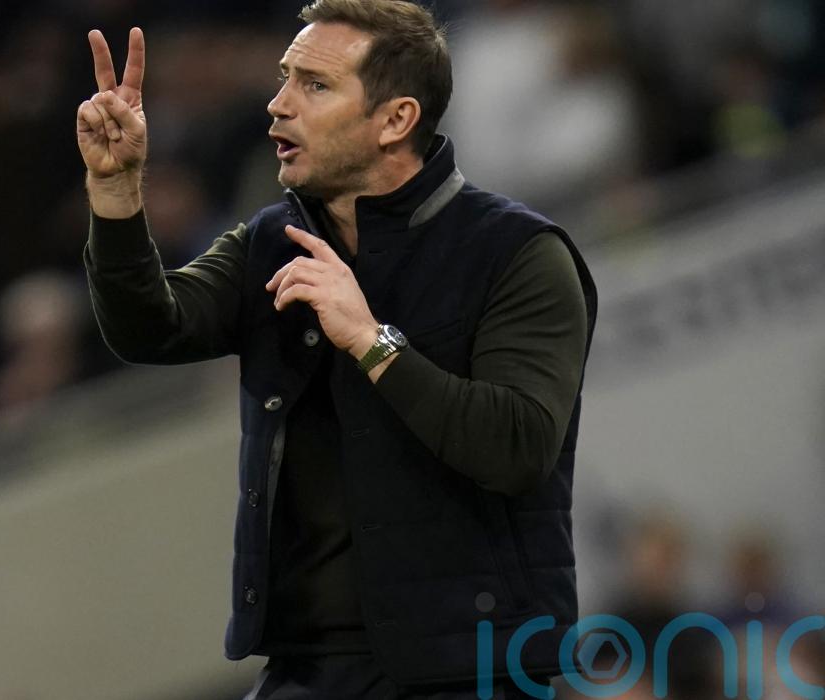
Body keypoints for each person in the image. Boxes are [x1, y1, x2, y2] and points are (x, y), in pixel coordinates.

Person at [77, 1, 597, 697]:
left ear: (396, 120)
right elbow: (150, 328)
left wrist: (371, 341)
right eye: (285, 78)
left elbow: (516, 447)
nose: (278, 104)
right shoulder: (271, 243)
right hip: (307, 668)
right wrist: (116, 193)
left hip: (470, 668)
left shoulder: (518, 255)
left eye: (314, 85)